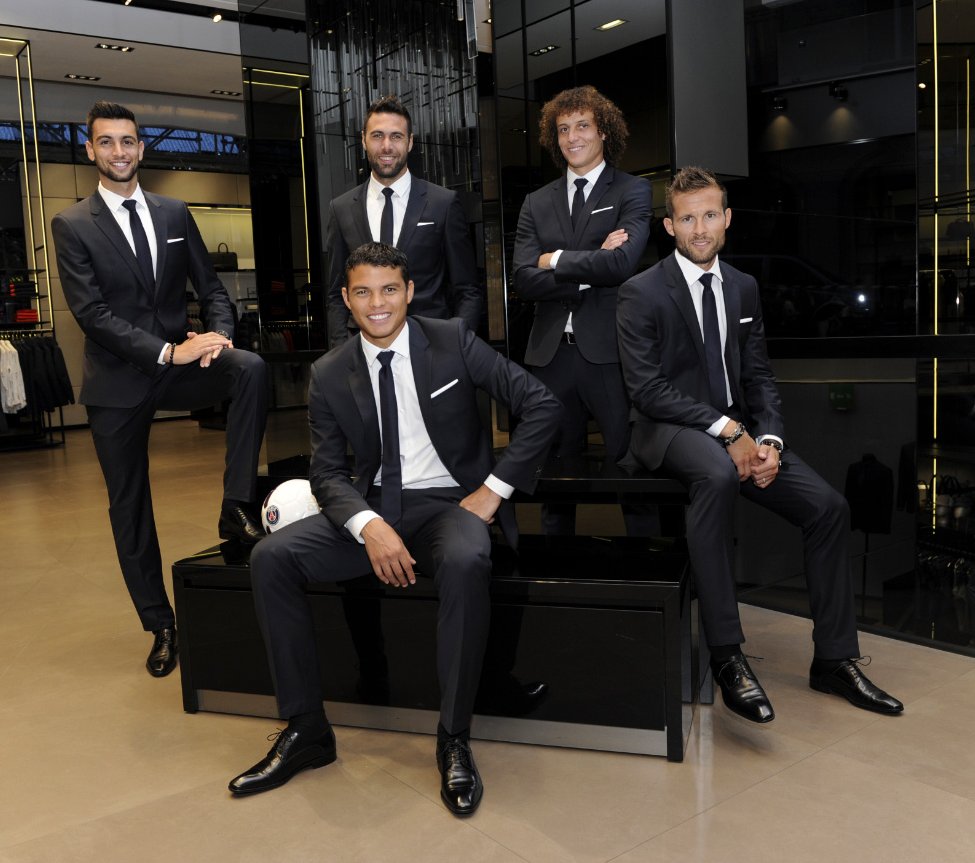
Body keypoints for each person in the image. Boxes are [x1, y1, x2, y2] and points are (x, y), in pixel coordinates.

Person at [229, 242, 559, 816]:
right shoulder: (329, 373)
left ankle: (453, 737)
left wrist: (493, 490)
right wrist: (368, 524)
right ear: (346, 298)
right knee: (271, 558)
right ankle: (307, 729)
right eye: (363, 291)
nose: (377, 303)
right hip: (373, 505)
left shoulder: (453, 340)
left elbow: (542, 404)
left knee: (465, 560)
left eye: (388, 289)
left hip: (449, 503)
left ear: (409, 292)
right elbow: (327, 473)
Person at [616, 166, 903, 723]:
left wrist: (768, 439)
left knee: (828, 508)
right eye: (687, 219)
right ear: (670, 226)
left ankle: (834, 660)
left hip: (741, 431)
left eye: (709, 215)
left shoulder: (743, 286)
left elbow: (760, 376)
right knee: (717, 474)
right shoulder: (640, 292)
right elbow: (647, 390)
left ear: (727, 219)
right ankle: (727, 655)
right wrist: (729, 432)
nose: (700, 228)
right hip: (668, 429)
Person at [52, 101, 267, 679]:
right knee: (130, 508)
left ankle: (235, 506)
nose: (118, 151)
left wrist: (219, 335)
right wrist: (169, 351)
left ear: (141, 148)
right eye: (106, 142)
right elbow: (92, 315)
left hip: (178, 368)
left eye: (128, 141)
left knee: (249, 368)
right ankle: (161, 624)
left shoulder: (174, 212)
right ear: (90, 150)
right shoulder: (72, 224)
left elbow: (211, 286)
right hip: (118, 384)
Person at [512, 85, 652, 535]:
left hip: (610, 354)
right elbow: (522, 279)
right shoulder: (536, 202)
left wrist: (553, 259)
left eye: (582, 126)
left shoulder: (633, 190)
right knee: (554, 478)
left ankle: (651, 567)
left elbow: (622, 264)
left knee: (630, 469)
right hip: (550, 357)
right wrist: (593, 263)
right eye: (563, 129)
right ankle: (557, 570)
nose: (572, 137)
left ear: (604, 131)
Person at [324, 95, 482, 349]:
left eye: (396, 136)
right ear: (363, 140)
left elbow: (467, 289)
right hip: (362, 350)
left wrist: (456, 347)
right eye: (377, 136)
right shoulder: (341, 209)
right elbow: (336, 293)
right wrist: (342, 351)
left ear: (410, 142)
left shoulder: (442, 203)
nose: (386, 146)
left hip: (431, 348)